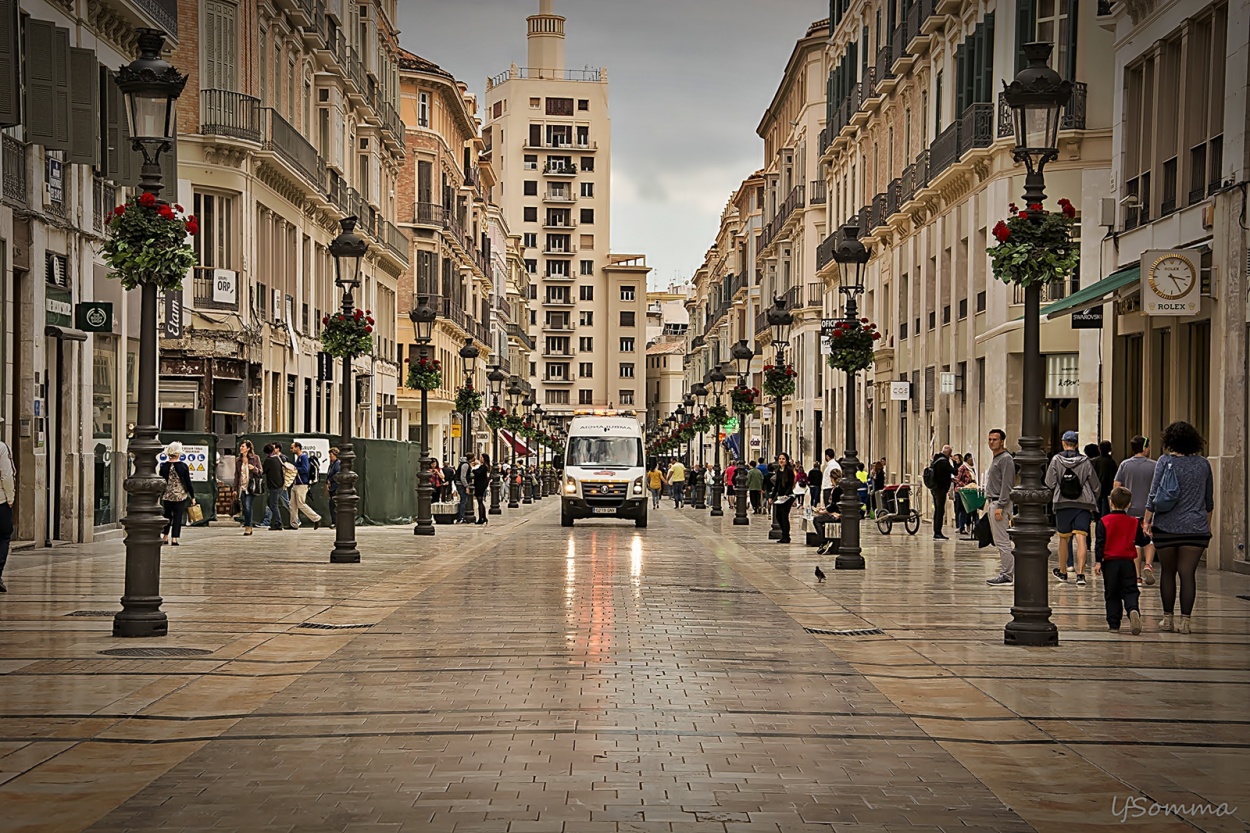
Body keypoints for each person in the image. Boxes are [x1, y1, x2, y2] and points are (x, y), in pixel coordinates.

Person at [1143, 421, 1214, 634]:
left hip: (1166, 526)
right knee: (1188, 574)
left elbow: (1154, 494)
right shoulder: (1203, 464)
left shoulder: (1164, 461)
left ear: (1169, 440)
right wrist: (1206, 525)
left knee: (1168, 572)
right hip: (1196, 527)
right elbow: (1208, 501)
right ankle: (1186, 622)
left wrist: (1147, 520)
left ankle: (1168, 619)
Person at [1044, 430, 1101, 586]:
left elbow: (1049, 482)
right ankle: (1081, 575)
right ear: (1076, 444)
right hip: (1083, 503)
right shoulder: (1085, 461)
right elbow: (1095, 485)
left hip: (1063, 503)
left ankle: (1063, 572)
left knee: (1063, 538)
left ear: (1063, 443)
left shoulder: (1056, 460)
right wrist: (1092, 498)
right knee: (1081, 537)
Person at [1094, 486, 1148, 634]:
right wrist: (1147, 535)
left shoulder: (1104, 521)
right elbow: (1141, 541)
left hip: (1110, 562)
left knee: (1112, 593)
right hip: (1127, 562)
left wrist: (1098, 561)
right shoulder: (1133, 522)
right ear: (1128, 504)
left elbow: (1100, 543)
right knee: (1130, 590)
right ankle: (1132, 609)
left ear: (1111, 502)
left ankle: (1114, 624)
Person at [1114, 435, 1156, 586]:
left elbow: (1117, 486)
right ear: (1145, 448)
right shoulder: (1154, 465)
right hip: (1149, 509)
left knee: (1135, 543)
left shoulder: (1125, 465)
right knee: (1149, 538)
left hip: (1129, 510)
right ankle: (1148, 565)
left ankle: (1137, 576)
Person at [985, 429, 1017, 587]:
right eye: (990, 439)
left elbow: (1007, 484)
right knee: (1000, 541)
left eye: (995, 439)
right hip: (994, 501)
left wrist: (1001, 505)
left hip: (1000, 503)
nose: (991, 442)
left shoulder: (1005, 459)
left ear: (1002, 441)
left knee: (1003, 541)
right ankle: (1007, 572)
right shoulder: (997, 458)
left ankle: (1007, 574)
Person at [159, 442, 195, 546]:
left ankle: (165, 537)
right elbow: (188, 483)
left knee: (167, 516)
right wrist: (192, 496)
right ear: (179, 453)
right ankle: (174, 538)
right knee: (177, 517)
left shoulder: (164, 466)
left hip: (167, 495)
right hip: (180, 496)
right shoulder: (183, 466)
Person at [289, 442, 322, 531]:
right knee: (292, 505)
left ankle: (316, 518)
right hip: (296, 483)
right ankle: (294, 524)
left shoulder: (303, 457)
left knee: (300, 504)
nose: (291, 449)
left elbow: (305, 469)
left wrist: (294, 468)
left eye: (292, 448)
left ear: (298, 448)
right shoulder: (299, 458)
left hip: (302, 483)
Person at [234, 440, 263, 535]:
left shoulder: (255, 458)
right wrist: (234, 489)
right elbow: (237, 475)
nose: (241, 448)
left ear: (248, 448)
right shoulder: (238, 460)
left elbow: (260, 472)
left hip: (251, 486)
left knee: (247, 506)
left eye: (243, 446)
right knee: (245, 507)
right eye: (241, 446)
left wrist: (253, 468)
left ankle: (248, 526)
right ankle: (248, 525)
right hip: (242, 486)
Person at [928, 445, 954, 540]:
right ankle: (937, 532)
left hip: (934, 488)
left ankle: (937, 531)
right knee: (940, 510)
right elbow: (954, 471)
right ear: (949, 453)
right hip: (940, 489)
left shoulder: (936, 460)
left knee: (937, 510)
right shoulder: (944, 462)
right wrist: (954, 462)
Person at [0, 428, 15, 592]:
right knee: (3, 536)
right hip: (0, 501)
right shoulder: (2, 448)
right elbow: (7, 475)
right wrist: (10, 498)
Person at [771, 452, 796, 544]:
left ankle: (786, 536)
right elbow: (777, 485)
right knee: (778, 515)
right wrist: (772, 497)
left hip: (788, 496)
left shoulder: (789, 471)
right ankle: (784, 534)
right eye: (780, 459)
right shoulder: (778, 471)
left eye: (783, 459)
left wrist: (786, 494)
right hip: (780, 497)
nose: (781, 460)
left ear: (786, 461)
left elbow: (790, 484)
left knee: (784, 516)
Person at [263, 444, 287, 532]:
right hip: (280, 484)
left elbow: (263, 470)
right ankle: (277, 521)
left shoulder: (268, 460)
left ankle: (278, 522)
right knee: (271, 503)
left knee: (273, 504)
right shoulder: (277, 458)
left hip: (274, 486)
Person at [1093, 440, 1118, 517]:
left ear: (1099, 449)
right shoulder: (1111, 462)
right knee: (1105, 513)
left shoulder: (1094, 461)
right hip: (1108, 490)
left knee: (1097, 514)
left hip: (1096, 490)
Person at [954, 453, 977, 535]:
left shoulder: (972, 469)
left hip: (970, 491)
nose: (973, 461)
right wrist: (965, 486)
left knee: (972, 510)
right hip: (962, 491)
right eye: (971, 459)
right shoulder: (962, 468)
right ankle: (961, 527)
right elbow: (957, 479)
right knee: (963, 510)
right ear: (967, 459)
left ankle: (973, 526)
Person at [472, 454, 491, 523]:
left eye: (481, 457)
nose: (480, 458)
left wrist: (472, 468)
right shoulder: (485, 466)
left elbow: (477, 472)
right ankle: (484, 517)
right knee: (480, 501)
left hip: (480, 485)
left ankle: (481, 518)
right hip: (482, 484)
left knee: (480, 501)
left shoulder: (483, 467)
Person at [455, 455, 472, 523]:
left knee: (463, 500)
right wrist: (466, 486)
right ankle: (461, 517)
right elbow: (463, 477)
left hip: (459, 483)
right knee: (463, 500)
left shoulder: (463, 463)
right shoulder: (465, 465)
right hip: (461, 484)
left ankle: (461, 516)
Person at [326, 447, 341, 521]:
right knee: (331, 505)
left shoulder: (337, 463)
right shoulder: (331, 465)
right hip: (332, 487)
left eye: (331, 455)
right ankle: (334, 521)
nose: (330, 456)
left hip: (336, 487)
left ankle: (336, 522)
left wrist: (330, 480)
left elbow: (338, 474)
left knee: (334, 504)